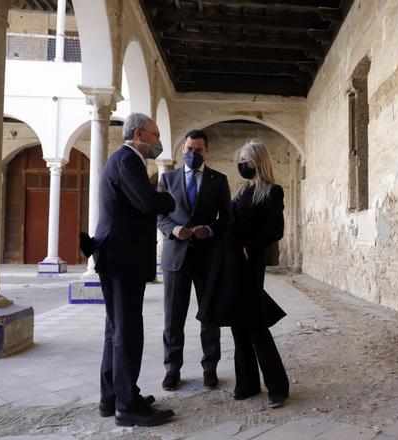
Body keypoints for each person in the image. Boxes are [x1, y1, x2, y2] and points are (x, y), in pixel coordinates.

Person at [83, 112, 176, 427]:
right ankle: (127, 405)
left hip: (117, 256)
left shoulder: (124, 160)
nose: (157, 140)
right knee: (127, 330)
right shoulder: (127, 160)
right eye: (154, 133)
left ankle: (112, 397)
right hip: (122, 257)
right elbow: (148, 204)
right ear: (139, 133)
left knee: (116, 329)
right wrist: (167, 199)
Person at [199, 138, 289, 409]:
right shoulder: (240, 191)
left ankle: (277, 387)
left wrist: (251, 246)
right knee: (239, 326)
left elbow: (275, 229)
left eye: (245, 161)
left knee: (256, 326)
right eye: (239, 161)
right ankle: (247, 384)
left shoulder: (271, 192)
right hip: (231, 264)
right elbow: (230, 223)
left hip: (250, 265)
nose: (241, 165)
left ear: (258, 162)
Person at [157, 130, 231, 391]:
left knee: (209, 316)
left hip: (208, 258)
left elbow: (227, 219)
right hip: (176, 256)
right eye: (188, 149)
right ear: (182, 149)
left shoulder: (219, 180)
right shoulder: (167, 178)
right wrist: (172, 230)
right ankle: (172, 368)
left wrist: (209, 230)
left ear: (206, 151)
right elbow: (160, 216)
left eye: (198, 150)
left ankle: (210, 367)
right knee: (173, 317)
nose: (192, 154)